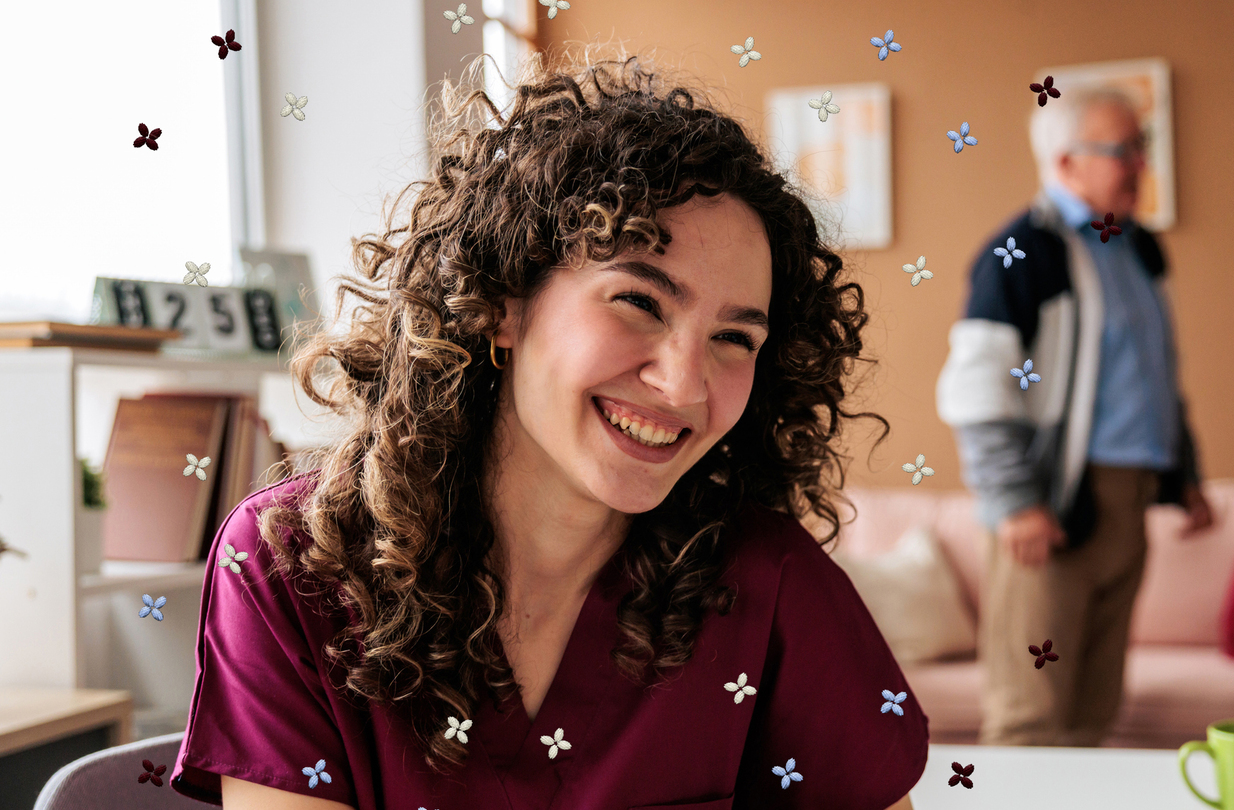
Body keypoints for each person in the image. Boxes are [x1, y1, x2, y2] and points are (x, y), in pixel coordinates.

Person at [168, 54, 928, 810]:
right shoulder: (292, 565)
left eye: (734, 338)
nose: (683, 384)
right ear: (503, 300)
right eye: (639, 302)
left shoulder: (769, 583)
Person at [936, 85, 1214, 747]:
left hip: (1127, 504)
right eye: (1124, 150)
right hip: (1052, 509)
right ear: (1066, 162)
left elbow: (1155, 375)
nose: (1141, 163)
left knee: (1094, 717)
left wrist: (1185, 476)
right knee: (1030, 719)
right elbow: (977, 385)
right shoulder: (1019, 252)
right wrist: (1014, 500)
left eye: (1142, 146)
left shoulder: (1140, 249)